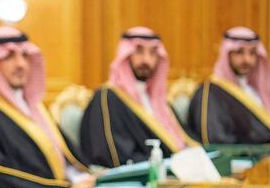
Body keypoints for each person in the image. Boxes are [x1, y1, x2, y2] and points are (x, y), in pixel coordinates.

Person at [0, 26, 90, 188]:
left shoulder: (35, 106)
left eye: (25, 55)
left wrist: (83, 178)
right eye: (9, 57)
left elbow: (67, 156)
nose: (21, 64)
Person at [80, 27, 193, 167]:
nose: (146, 60)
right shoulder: (107, 98)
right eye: (139, 51)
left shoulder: (157, 99)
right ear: (126, 55)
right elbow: (112, 155)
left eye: (153, 53)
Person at [187, 27, 270, 146]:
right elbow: (217, 143)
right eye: (239, 52)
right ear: (227, 54)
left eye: (252, 53)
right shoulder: (210, 93)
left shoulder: (258, 91)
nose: (247, 60)